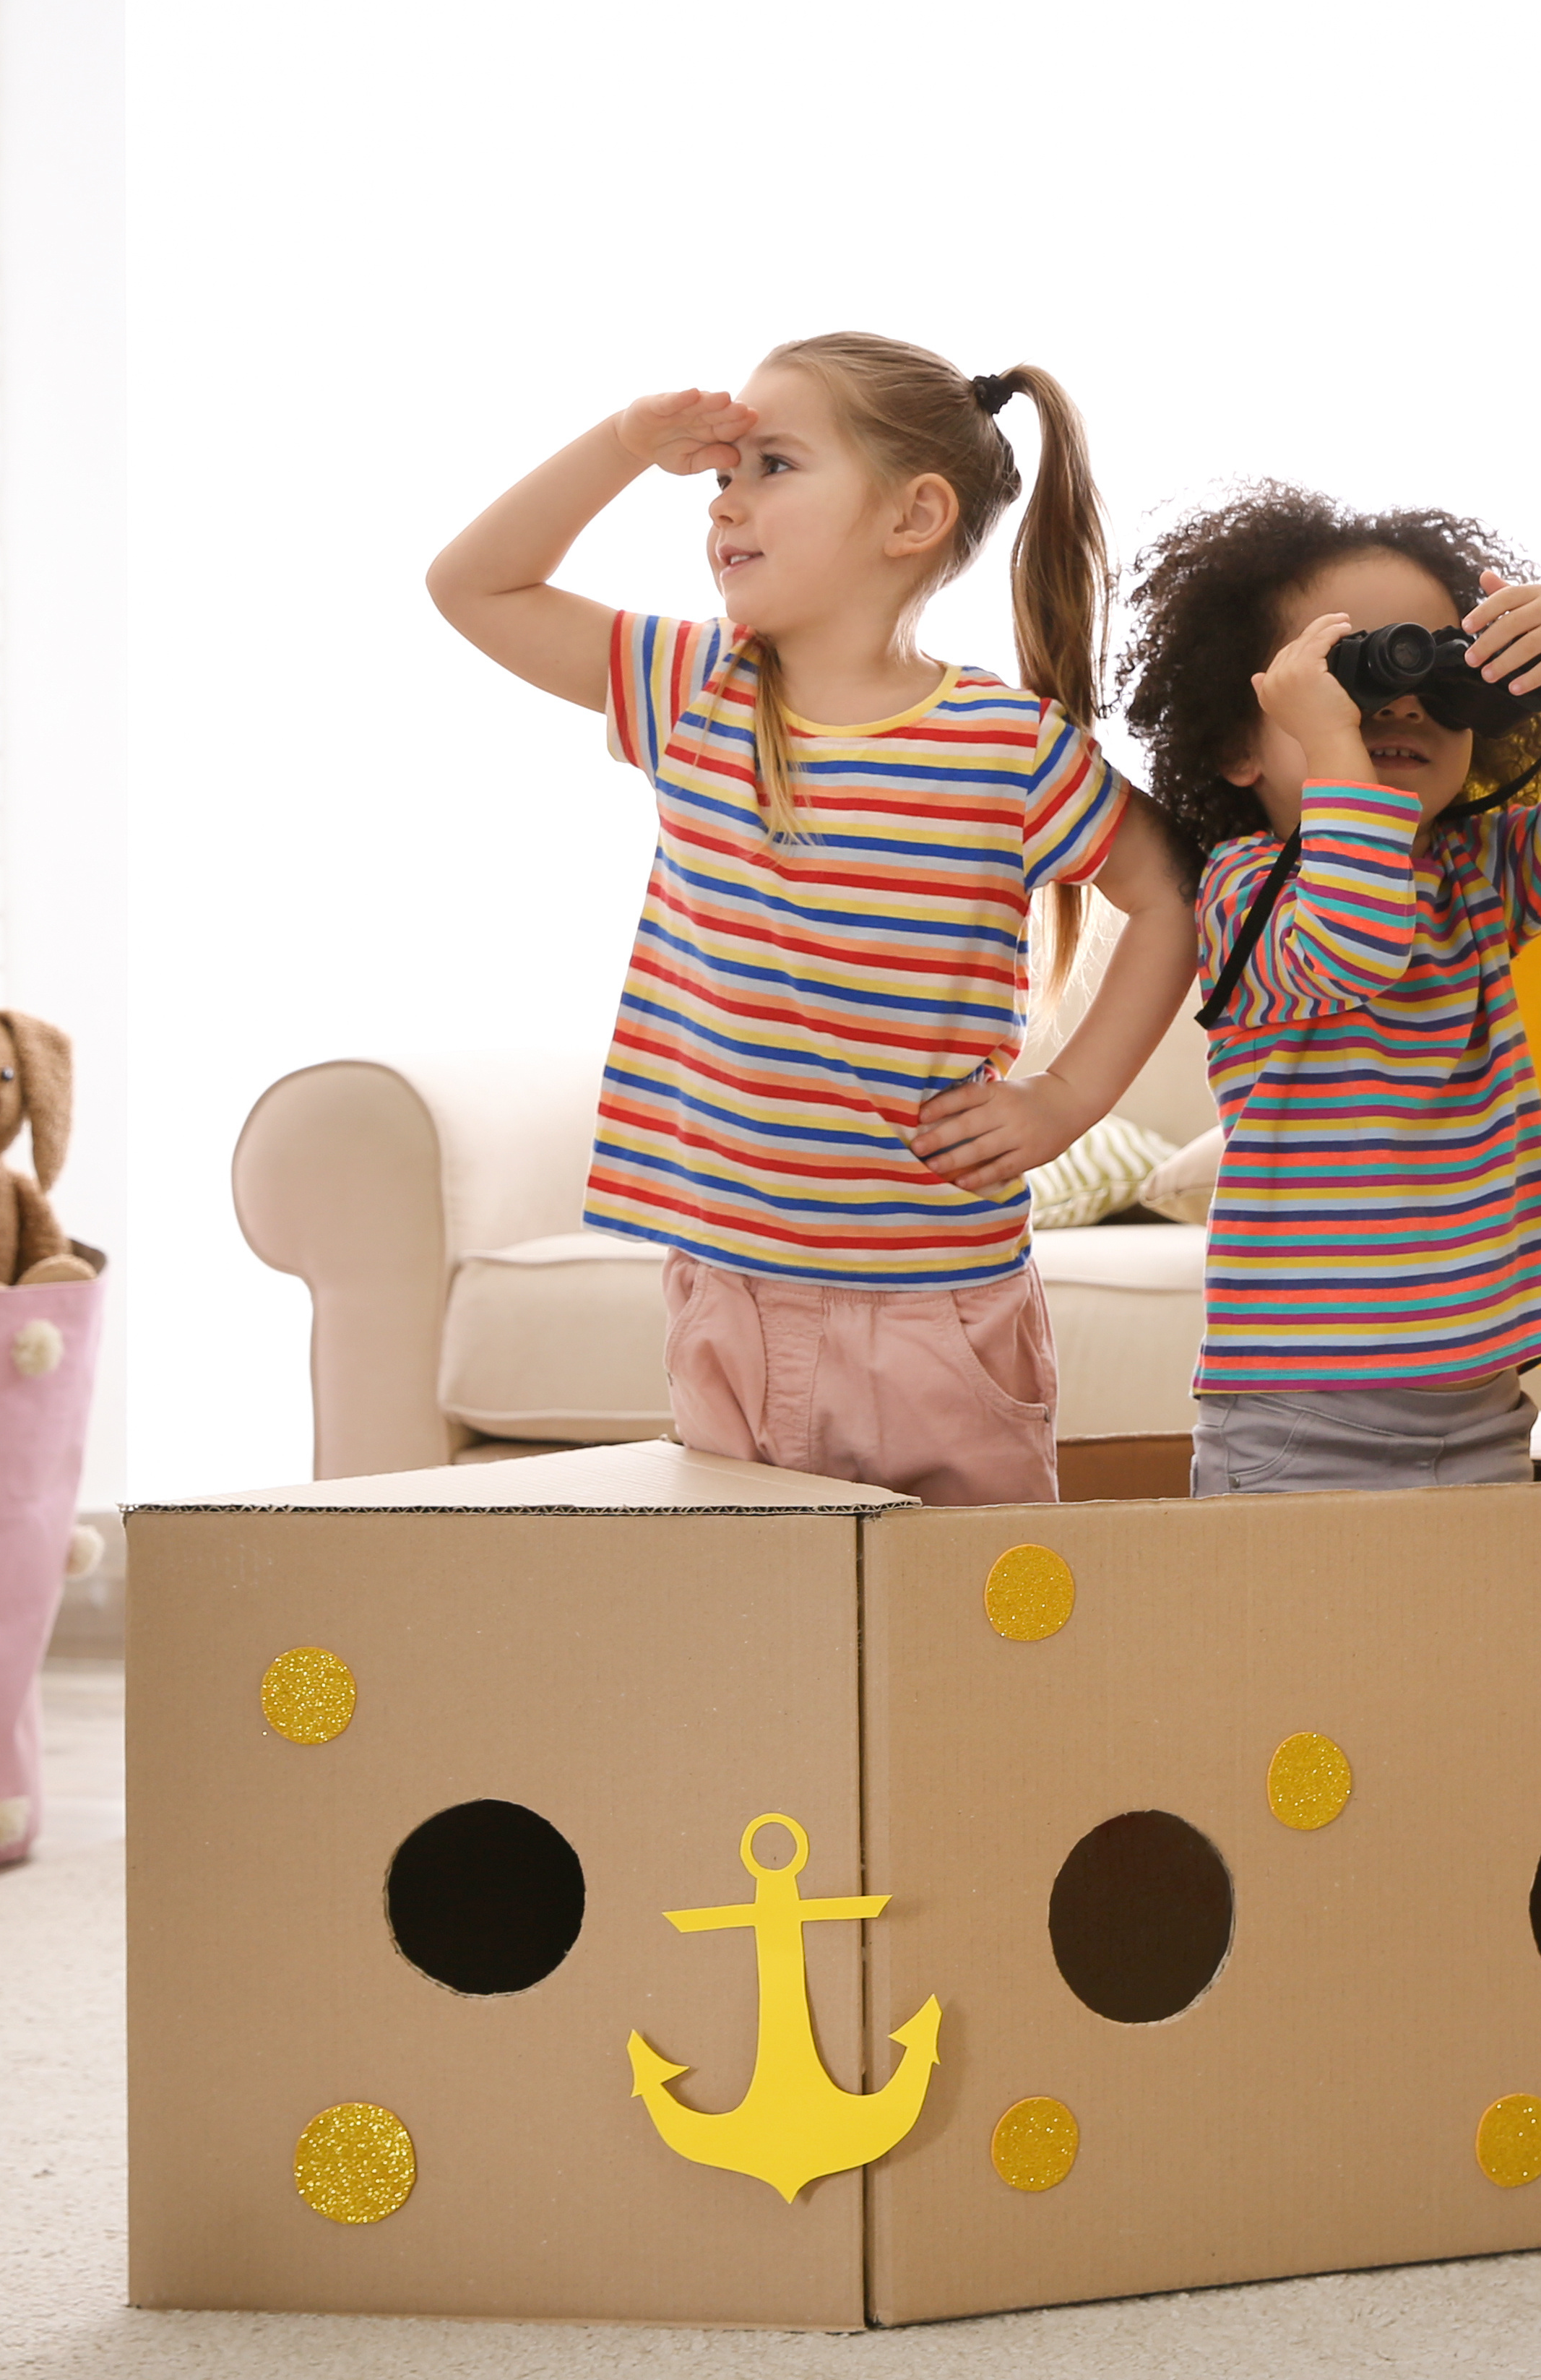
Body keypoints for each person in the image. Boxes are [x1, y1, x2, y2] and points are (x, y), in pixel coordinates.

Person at [426, 334, 1196, 1505]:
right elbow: (471, 584)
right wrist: (625, 446)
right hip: (728, 1288)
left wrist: (1067, 1098)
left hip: (941, 1296)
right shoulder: (692, 687)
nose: (723, 501)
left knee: (969, 1630)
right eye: (720, 477)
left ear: (914, 515)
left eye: (771, 465)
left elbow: (1165, 897)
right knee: (759, 1636)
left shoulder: (1006, 746)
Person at [1118, 484, 1541, 1494]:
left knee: (1468, 1644)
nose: (1405, 697)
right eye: (1354, 671)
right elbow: (1350, 944)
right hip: (1303, 1407)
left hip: (1481, 1394)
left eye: (1438, 663)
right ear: (1236, 742)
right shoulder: (1247, 891)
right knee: (1302, 1650)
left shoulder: (1474, 874)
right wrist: (1340, 755)